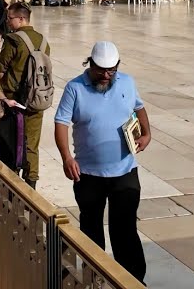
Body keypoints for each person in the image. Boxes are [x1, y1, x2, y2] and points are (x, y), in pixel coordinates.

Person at [54, 41, 150, 283]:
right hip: (88, 175)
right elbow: (61, 123)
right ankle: (92, 278)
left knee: (125, 230)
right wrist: (67, 157)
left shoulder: (127, 82)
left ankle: (133, 281)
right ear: (90, 64)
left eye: (111, 70)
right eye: (101, 70)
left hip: (125, 172)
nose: (106, 75)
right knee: (91, 230)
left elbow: (140, 107)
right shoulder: (74, 88)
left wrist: (147, 134)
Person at [0, 2, 51, 188]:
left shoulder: (13, 40)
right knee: (31, 144)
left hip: (14, 101)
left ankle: (11, 183)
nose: (8, 22)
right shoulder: (43, 41)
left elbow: (0, 69)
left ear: (21, 19)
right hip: (37, 99)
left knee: (10, 142)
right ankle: (31, 184)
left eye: (10, 18)